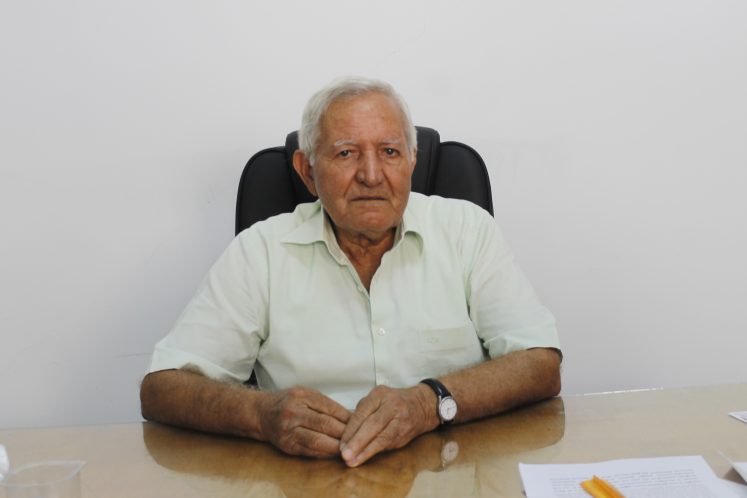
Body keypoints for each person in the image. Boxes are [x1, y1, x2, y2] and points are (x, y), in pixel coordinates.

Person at [140, 76, 561, 468]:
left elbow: (540, 363)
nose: (371, 175)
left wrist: (428, 403)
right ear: (307, 171)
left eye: (390, 152)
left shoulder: (467, 231)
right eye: (346, 153)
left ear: (412, 161)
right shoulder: (261, 251)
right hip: (308, 478)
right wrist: (261, 414)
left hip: (450, 469)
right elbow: (162, 389)